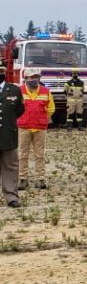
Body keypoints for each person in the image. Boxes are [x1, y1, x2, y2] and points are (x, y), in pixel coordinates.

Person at [17, 69, 54, 190]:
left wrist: (43, 119)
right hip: (24, 127)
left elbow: (50, 108)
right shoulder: (19, 91)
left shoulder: (45, 91)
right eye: (31, 77)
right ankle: (23, 179)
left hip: (40, 128)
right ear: (25, 79)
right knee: (23, 154)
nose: (34, 79)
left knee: (40, 155)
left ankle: (40, 178)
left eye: (36, 77)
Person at [0, 64, 25, 207]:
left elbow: (20, 110)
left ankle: (11, 197)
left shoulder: (14, 90)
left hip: (8, 135)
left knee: (10, 167)